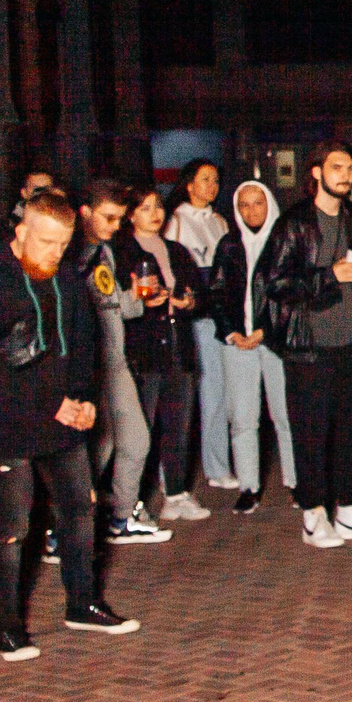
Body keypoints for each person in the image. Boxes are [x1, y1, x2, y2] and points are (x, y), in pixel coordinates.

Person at [0, 187, 136, 660]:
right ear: (21, 232)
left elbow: (83, 345)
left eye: (62, 244)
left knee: (80, 509)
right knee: (13, 524)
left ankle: (82, 602)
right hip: (5, 424)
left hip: (61, 416)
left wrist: (85, 399)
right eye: (45, 242)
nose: (54, 254)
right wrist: (49, 403)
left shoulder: (67, 279)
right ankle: (6, 626)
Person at [261, 142, 352, 549]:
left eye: (351, 168)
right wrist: (327, 277)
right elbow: (275, 285)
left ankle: (349, 511)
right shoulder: (294, 223)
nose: (347, 175)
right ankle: (313, 516)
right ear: (317, 172)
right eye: (338, 167)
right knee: (310, 434)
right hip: (310, 349)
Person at [74, 181, 169, 547]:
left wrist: (141, 299)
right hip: (90, 367)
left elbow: (114, 307)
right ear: (86, 213)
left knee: (135, 440)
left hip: (115, 362)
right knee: (95, 450)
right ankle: (62, 529)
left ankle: (120, 516)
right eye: (109, 217)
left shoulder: (104, 253)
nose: (116, 226)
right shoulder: (73, 257)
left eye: (118, 218)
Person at [116, 187, 207, 524]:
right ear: (131, 215)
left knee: (178, 426)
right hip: (145, 353)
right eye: (145, 207)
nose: (154, 214)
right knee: (141, 429)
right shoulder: (122, 252)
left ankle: (177, 492)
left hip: (179, 350)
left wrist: (189, 302)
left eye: (158, 207)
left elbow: (199, 293)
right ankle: (131, 500)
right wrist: (142, 301)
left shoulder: (177, 251)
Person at [209, 180, 299, 514]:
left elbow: (291, 294)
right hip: (237, 344)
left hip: (274, 341)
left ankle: (296, 482)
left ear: (269, 203)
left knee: (285, 414)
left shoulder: (284, 242)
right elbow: (216, 293)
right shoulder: (229, 244)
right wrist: (233, 333)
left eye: (257, 203)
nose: (251, 211)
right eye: (243, 205)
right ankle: (249, 486)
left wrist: (265, 329)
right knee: (243, 417)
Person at [163, 159, 235, 492]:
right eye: (205, 179)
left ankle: (217, 466)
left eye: (216, 180)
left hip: (215, 315)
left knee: (217, 392)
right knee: (187, 397)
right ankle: (173, 476)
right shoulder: (175, 221)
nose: (212, 186)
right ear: (189, 184)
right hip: (190, 319)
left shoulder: (219, 221)